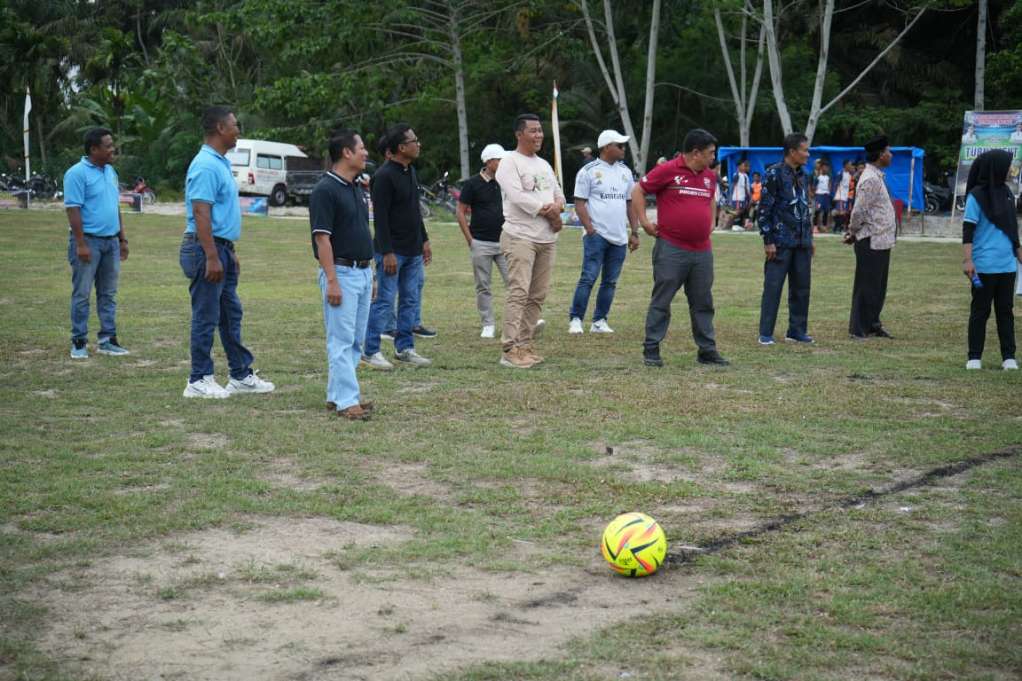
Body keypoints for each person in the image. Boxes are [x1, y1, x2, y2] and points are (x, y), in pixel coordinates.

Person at [180, 106, 274, 398]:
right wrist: (210, 255)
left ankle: (240, 374)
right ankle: (199, 379)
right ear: (220, 128)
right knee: (206, 315)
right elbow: (201, 211)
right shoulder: (205, 165)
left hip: (220, 248)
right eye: (235, 125)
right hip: (204, 248)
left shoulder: (218, 162)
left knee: (230, 314)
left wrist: (226, 251)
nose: (238, 130)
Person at [631, 128, 729, 367]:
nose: (713, 158)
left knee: (703, 301)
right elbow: (638, 190)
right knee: (662, 300)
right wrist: (644, 222)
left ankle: (707, 350)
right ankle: (652, 348)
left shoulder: (709, 176)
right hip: (671, 249)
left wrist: (711, 222)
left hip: (701, 251)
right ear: (695, 153)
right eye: (710, 153)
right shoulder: (668, 170)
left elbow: (710, 199)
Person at [309, 129, 376, 421]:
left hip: (361, 272)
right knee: (340, 340)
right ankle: (348, 401)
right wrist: (332, 279)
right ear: (346, 153)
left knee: (355, 340)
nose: (365, 152)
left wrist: (370, 275)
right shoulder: (325, 190)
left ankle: (337, 396)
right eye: (361, 147)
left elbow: (362, 232)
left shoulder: (356, 188)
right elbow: (322, 239)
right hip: (342, 273)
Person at [496, 113, 565, 369]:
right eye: (533, 131)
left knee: (537, 295)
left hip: (547, 239)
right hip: (520, 237)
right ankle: (509, 348)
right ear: (519, 134)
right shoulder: (509, 162)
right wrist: (549, 211)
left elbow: (559, 194)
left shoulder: (544, 165)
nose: (539, 135)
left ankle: (525, 345)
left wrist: (556, 207)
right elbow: (517, 197)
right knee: (519, 292)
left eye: (540, 130)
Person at [364, 123, 433, 369]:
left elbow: (414, 210)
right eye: (414, 141)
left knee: (410, 300)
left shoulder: (410, 171)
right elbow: (380, 219)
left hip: (413, 249)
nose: (418, 144)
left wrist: (424, 240)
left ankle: (404, 348)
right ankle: (370, 351)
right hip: (392, 252)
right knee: (384, 300)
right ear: (401, 148)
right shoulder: (383, 177)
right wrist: (387, 252)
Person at [63, 127, 130, 359]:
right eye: (108, 146)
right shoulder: (76, 173)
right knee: (82, 294)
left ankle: (107, 340)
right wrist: (80, 243)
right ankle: (79, 342)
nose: (113, 150)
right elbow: (73, 209)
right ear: (94, 149)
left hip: (110, 243)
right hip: (88, 241)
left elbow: (115, 207)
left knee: (108, 294)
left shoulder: (111, 171)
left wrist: (122, 239)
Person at [568, 129, 639, 335]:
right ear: (607, 147)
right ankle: (576, 319)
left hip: (619, 237)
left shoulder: (625, 172)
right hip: (596, 236)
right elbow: (579, 203)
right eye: (620, 145)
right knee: (588, 278)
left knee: (610, 281)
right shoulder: (588, 171)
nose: (624, 149)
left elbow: (630, 203)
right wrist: (590, 229)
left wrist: (634, 232)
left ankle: (599, 320)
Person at [962, 149, 1021, 370]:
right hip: (983, 266)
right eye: (1007, 166)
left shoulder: (1007, 194)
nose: (1010, 170)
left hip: (1007, 265)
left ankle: (1009, 357)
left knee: (1005, 311)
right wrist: (968, 261)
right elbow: (968, 231)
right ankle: (974, 357)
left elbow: (1012, 228)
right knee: (980, 311)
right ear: (996, 168)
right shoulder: (975, 196)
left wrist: (1018, 251)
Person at [757, 133, 815, 345]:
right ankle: (766, 333)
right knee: (773, 287)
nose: (808, 154)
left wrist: (810, 238)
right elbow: (764, 209)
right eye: (804, 150)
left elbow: (804, 208)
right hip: (780, 241)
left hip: (802, 242)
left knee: (802, 288)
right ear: (792, 152)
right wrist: (768, 239)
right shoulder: (773, 173)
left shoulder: (803, 175)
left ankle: (796, 330)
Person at [846, 135, 897, 340]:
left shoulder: (877, 176)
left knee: (878, 286)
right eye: (888, 151)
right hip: (870, 239)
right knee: (866, 285)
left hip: (881, 239)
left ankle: (873, 324)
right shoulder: (869, 178)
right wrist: (852, 231)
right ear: (880, 155)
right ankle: (858, 329)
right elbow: (859, 211)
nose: (891, 155)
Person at [457, 143, 510, 339]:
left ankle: (518, 320)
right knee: (483, 286)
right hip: (481, 242)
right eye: (499, 160)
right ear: (489, 162)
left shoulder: (506, 181)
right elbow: (460, 211)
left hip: (505, 241)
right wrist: (470, 239)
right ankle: (488, 324)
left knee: (514, 283)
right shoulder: (472, 184)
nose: (503, 163)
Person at [832, 159, 854, 234]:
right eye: (850, 164)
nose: (851, 166)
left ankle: (836, 228)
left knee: (843, 213)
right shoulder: (841, 173)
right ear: (845, 165)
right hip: (840, 196)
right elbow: (836, 184)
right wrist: (835, 195)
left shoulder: (850, 175)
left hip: (845, 196)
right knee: (841, 212)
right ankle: (838, 228)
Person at [730, 159, 751, 232]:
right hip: (738, 196)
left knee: (741, 210)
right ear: (738, 166)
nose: (744, 167)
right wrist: (730, 196)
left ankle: (738, 224)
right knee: (738, 211)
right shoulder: (737, 175)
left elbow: (746, 186)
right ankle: (734, 225)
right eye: (743, 166)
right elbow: (733, 185)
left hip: (743, 196)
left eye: (745, 166)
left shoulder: (745, 175)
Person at [813, 161, 832, 233]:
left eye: (827, 168)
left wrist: (829, 192)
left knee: (826, 211)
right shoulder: (818, 177)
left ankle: (824, 227)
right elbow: (814, 186)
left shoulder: (828, 177)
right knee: (817, 211)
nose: (825, 169)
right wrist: (814, 193)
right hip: (819, 195)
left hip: (826, 195)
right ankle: (815, 227)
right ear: (821, 168)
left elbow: (829, 185)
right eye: (824, 167)